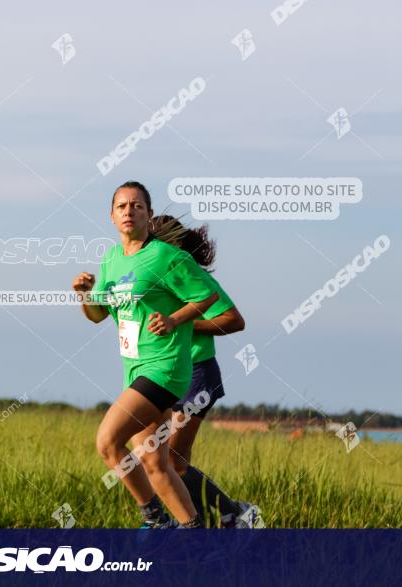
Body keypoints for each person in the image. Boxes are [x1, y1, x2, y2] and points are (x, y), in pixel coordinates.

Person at [73, 181, 218, 529]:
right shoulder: (110, 260)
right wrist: (86, 295)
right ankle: (196, 537)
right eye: (122, 206)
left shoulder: (168, 257)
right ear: (111, 216)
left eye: (137, 206)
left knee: (108, 442)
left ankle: (154, 518)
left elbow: (207, 295)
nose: (129, 211)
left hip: (165, 368)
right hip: (135, 368)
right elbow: (97, 317)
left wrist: (173, 319)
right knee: (155, 463)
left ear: (149, 216)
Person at [151, 214, 261, 527]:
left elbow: (234, 320)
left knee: (173, 460)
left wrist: (181, 324)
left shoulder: (194, 277)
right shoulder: (155, 279)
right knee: (161, 459)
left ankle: (234, 516)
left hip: (197, 374)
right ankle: (200, 520)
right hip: (166, 375)